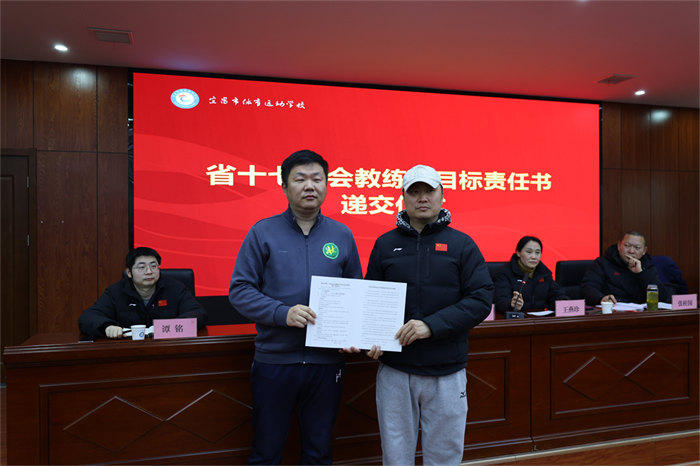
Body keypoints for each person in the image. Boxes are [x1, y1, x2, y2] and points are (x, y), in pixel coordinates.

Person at [228, 149, 362, 465]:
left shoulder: (341, 234)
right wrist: (282, 313)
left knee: (319, 451)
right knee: (266, 450)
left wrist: (354, 333)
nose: (310, 186)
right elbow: (240, 290)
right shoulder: (263, 232)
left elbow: (355, 293)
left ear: (327, 184)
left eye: (317, 179)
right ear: (284, 186)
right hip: (275, 362)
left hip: (327, 363)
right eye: (300, 179)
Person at [363, 164, 493, 465]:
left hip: (446, 370)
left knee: (445, 455)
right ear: (403, 198)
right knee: (395, 455)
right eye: (414, 191)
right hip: (395, 370)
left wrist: (430, 326)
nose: (422, 198)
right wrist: (368, 336)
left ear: (442, 196)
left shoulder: (462, 244)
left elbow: (480, 299)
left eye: (429, 191)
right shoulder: (385, 244)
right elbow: (370, 300)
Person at [79, 247, 207, 339]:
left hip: (168, 347)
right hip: (128, 351)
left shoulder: (175, 288)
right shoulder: (115, 292)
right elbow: (88, 317)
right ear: (129, 273)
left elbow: (198, 313)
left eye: (153, 266)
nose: (149, 271)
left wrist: (168, 327)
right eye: (141, 267)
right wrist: (107, 327)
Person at [580, 231, 671, 305]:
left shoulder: (647, 265)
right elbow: (588, 287)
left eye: (637, 248)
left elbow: (662, 297)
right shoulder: (602, 263)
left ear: (644, 251)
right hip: (613, 310)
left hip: (640, 313)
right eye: (627, 246)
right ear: (619, 245)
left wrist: (641, 273)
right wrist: (601, 298)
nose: (631, 251)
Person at [493, 236, 568, 313]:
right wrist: (511, 304)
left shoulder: (544, 273)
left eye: (537, 252)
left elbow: (556, 294)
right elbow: (500, 301)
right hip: (517, 318)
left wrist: (563, 301)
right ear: (518, 253)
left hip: (541, 318)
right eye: (529, 252)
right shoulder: (504, 273)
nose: (534, 257)